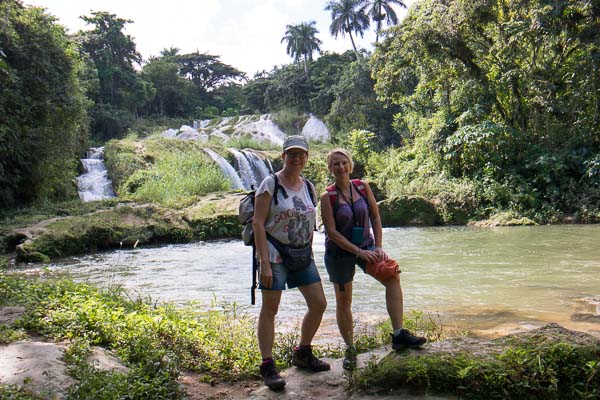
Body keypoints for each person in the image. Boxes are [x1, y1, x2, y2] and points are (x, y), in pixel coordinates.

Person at [320, 148, 426, 370]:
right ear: (330, 169)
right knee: (344, 301)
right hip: (340, 252)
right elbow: (332, 232)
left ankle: (398, 334)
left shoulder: (362, 186)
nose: (340, 167)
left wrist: (378, 246)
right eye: (335, 164)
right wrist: (359, 252)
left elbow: (376, 217)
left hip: (367, 246)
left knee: (392, 277)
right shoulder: (327, 196)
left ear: (350, 165)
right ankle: (350, 349)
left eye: (343, 163)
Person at [253, 135, 330, 391]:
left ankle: (303, 352)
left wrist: (308, 248)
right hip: (274, 256)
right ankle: (267, 365)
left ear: (307, 158)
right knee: (270, 310)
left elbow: (309, 221)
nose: (296, 158)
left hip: (302, 254)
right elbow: (257, 223)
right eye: (291, 153)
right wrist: (263, 262)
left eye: (301, 154)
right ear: (283, 155)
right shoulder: (270, 183)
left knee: (319, 303)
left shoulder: (308, 186)